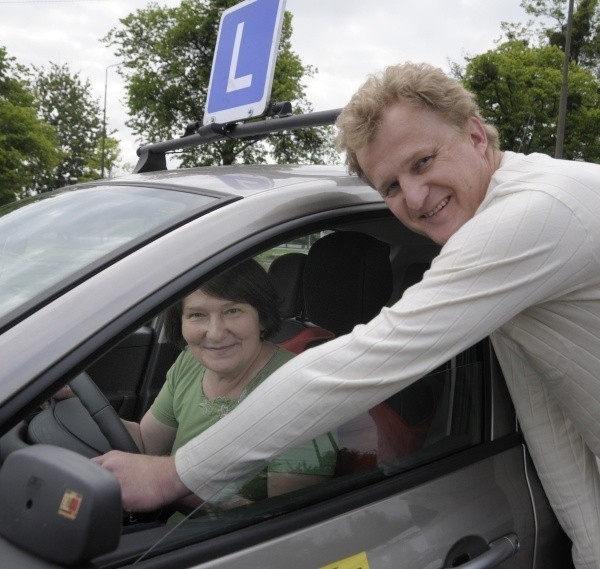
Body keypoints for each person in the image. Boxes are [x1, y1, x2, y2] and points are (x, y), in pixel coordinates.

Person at [94, 62, 600, 568]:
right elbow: (550, 417)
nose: (416, 199)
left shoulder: (531, 217)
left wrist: (168, 476)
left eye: (422, 162)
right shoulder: (509, 232)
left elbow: (355, 367)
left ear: (474, 134)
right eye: (391, 187)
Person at [112, 259, 338, 516]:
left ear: (261, 318)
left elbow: (282, 521)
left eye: (233, 311)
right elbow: (145, 441)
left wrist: (169, 484)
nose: (216, 333)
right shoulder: (190, 361)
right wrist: (77, 404)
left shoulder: (298, 390)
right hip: (169, 532)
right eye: (197, 315)